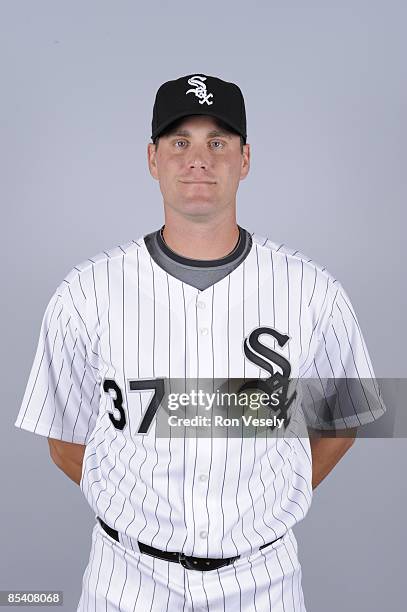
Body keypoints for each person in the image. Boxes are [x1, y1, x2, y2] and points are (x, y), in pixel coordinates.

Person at [15, 73, 386, 611]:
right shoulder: (86, 291)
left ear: (245, 158)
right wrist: (138, 513)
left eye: (217, 142)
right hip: (126, 580)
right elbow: (64, 438)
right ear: (152, 158)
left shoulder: (312, 291)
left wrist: (266, 507)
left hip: (264, 581)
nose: (198, 159)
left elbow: (343, 421)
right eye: (179, 142)